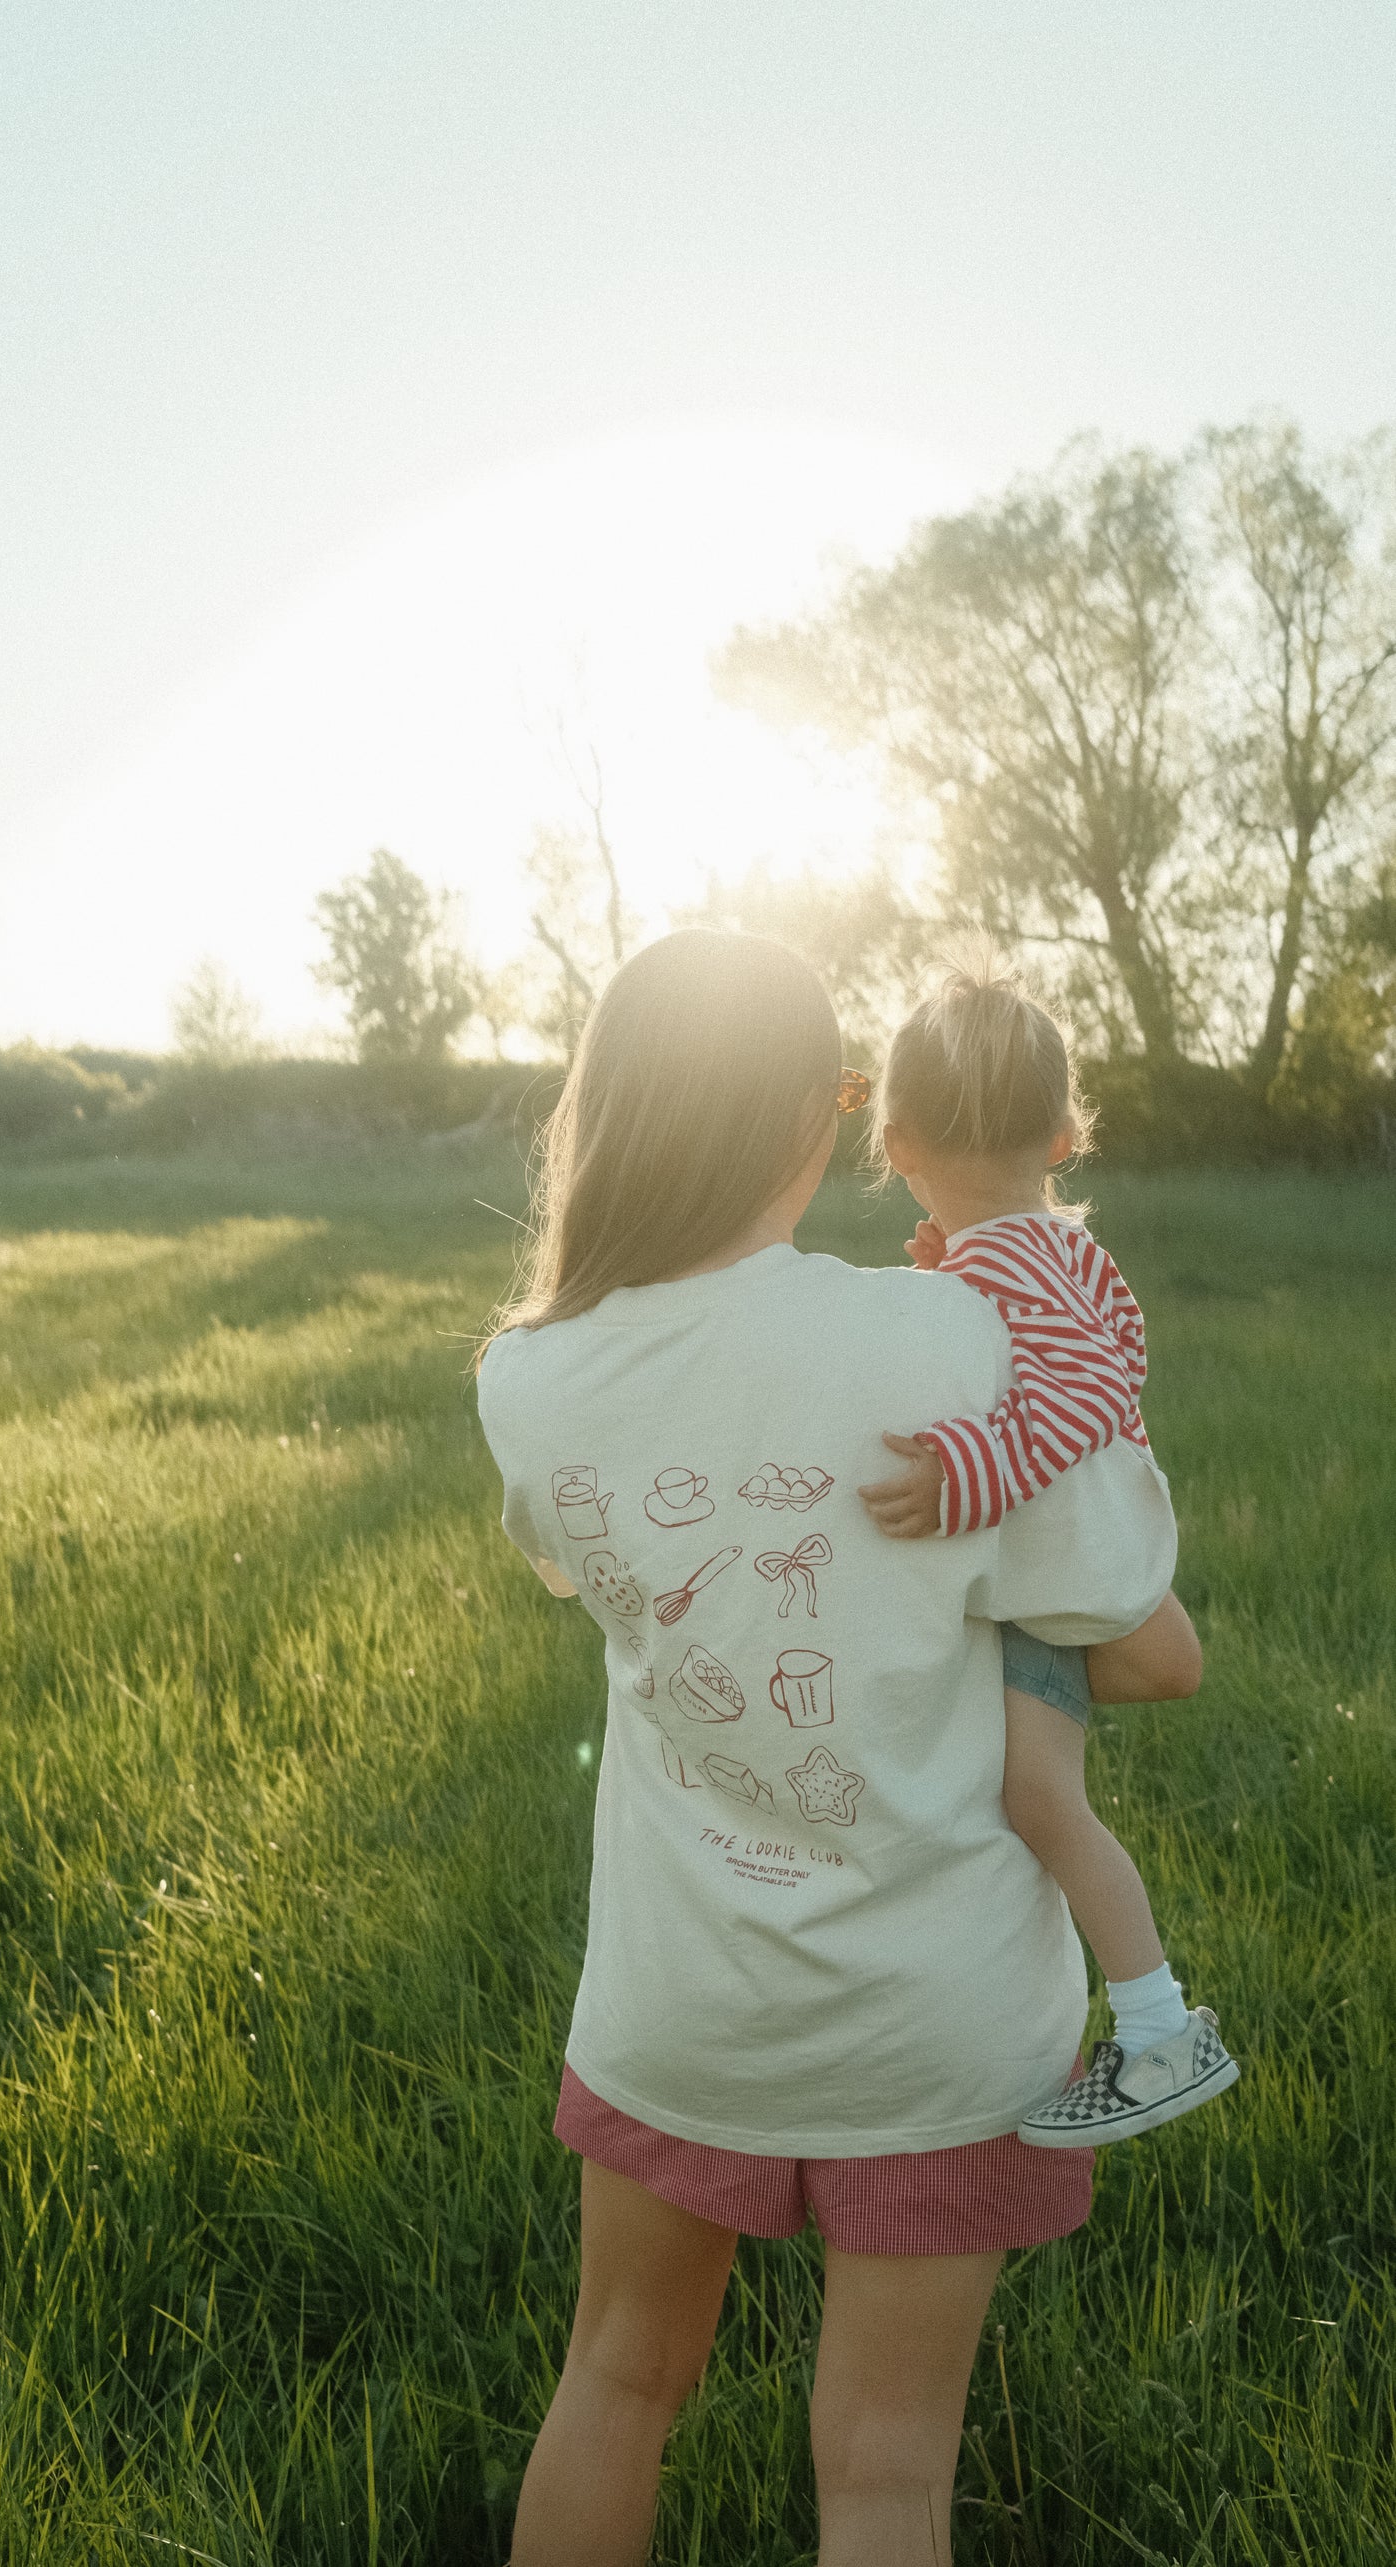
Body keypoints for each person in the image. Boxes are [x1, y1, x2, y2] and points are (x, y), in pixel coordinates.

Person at [477, 929, 1199, 2567]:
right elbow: (1143, 1643)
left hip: (684, 1995)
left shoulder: (530, 1377)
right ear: (832, 1108)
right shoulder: (952, 1340)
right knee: (885, 2472)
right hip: (937, 2019)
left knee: (616, 2378)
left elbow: (597, 1569)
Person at [856, 950, 1238, 2149]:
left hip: (1060, 1579)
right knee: (1041, 1785)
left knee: (1040, 1800)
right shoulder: (1053, 1250)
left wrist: (968, 1469)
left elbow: (1074, 1391)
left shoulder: (1005, 1260)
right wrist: (958, 1299)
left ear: (896, 1140)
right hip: (1093, 1557)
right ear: (1064, 1130)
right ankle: (1145, 2020)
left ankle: (1160, 2028)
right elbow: (1106, 1360)